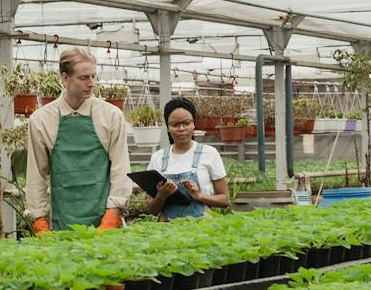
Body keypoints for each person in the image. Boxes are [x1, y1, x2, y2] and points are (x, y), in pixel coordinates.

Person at [25, 47, 133, 233]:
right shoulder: (41, 120)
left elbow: (121, 169)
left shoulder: (111, 115)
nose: (91, 83)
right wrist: (39, 220)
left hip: (104, 221)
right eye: (83, 78)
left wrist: (113, 215)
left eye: (93, 76)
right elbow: (36, 175)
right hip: (62, 220)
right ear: (65, 77)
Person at [146, 97, 230, 220]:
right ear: (168, 127)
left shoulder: (209, 153)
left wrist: (198, 196)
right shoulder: (157, 158)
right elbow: (152, 210)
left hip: (203, 229)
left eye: (186, 123)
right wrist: (161, 196)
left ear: (194, 124)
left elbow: (225, 199)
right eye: (175, 124)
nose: (181, 129)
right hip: (166, 231)